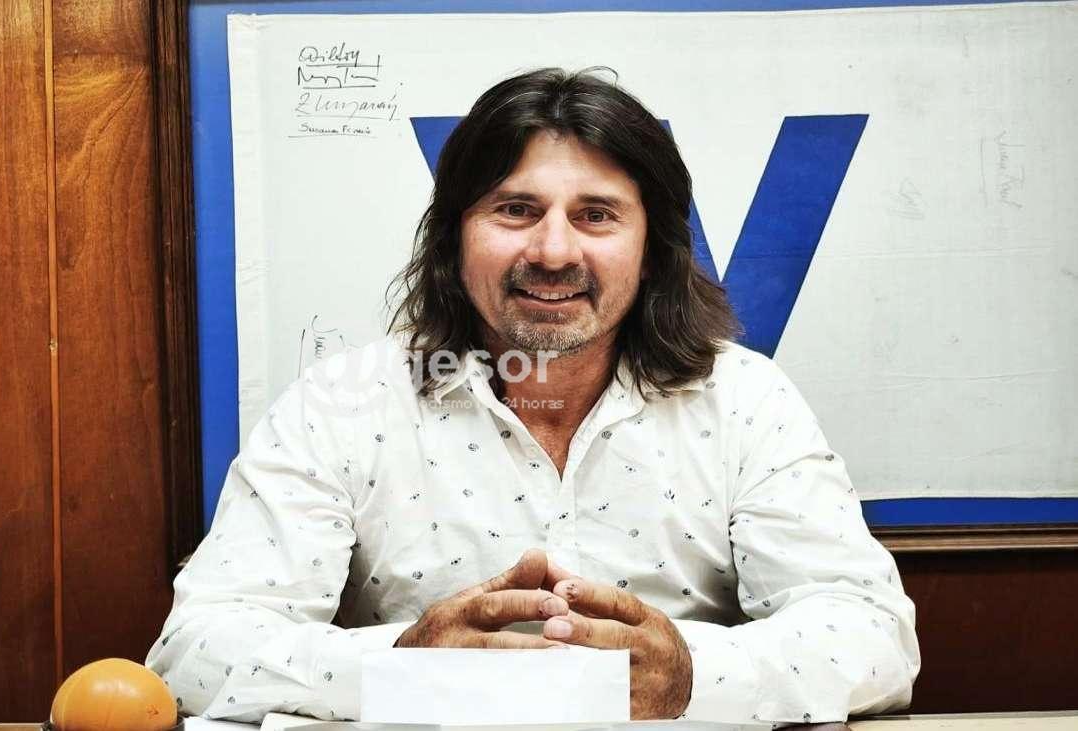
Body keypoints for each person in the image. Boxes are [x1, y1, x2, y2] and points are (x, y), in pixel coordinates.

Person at [148, 67, 919, 725]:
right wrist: (403, 663)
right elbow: (194, 651)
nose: (553, 251)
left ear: (654, 250)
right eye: (515, 210)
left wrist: (688, 674)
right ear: (454, 239)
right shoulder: (343, 402)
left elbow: (873, 637)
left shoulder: (744, 399)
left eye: (596, 215)